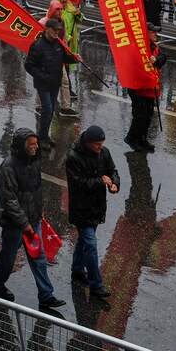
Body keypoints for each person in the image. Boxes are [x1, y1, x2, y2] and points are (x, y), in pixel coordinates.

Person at [0, 129, 65, 310]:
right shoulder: (8, 167)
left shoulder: (34, 161)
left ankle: (46, 295)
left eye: (35, 143)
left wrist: (39, 212)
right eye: (31, 144)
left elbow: (36, 189)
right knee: (8, 258)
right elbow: (9, 200)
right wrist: (25, 224)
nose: (35, 147)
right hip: (15, 224)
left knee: (38, 258)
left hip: (33, 219)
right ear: (22, 146)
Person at [65, 125, 119, 299]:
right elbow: (78, 184)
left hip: (96, 206)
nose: (100, 147)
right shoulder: (74, 157)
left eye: (101, 143)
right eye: (97, 144)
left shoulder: (104, 153)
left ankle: (77, 270)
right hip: (82, 209)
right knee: (91, 244)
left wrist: (114, 183)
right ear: (88, 143)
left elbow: (112, 171)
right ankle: (96, 285)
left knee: (84, 242)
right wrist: (100, 181)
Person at [24, 18, 75, 149]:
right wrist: (42, 76)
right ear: (47, 29)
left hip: (55, 83)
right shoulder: (38, 45)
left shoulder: (58, 43)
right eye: (54, 30)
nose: (57, 32)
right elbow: (29, 65)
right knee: (47, 109)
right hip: (43, 84)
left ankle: (45, 136)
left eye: (58, 30)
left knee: (51, 109)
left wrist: (74, 58)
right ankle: (41, 138)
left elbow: (64, 58)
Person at [126, 24, 165, 152]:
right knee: (139, 116)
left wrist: (157, 59)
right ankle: (132, 139)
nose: (156, 34)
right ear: (146, 33)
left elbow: (163, 57)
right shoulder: (139, 47)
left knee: (148, 115)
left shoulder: (155, 47)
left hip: (150, 89)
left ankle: (142, 139)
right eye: (153, 32)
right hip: (139, 88)